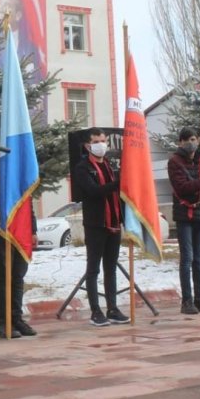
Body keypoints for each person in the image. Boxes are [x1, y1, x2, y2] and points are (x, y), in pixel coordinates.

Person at [0, 138, 37, 338]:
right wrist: (3, 174)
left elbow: (27, 201)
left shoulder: (20, 169)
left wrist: (33, 230)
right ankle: (3, 321)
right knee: (3, 275)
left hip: (20, 229)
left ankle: (17, 318)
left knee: (18, 275)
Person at [73, 128, 130, 327]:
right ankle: (95, 311)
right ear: (88, 146)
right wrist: (117, 184)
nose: (101, 144)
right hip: (96, 224)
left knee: (110, 268)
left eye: (104, 140)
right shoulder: (82, 168)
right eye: (97, 141)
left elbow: (117, 192)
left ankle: (112, 308)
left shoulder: (107, 165)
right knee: (93, 269)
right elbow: (93, 191)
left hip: (113, 224)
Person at [167, 127, 200, 314]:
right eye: (187, 139)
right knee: (187, 258)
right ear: (180, 142)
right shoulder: (174, 162)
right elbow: (182, 187)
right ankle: (186, 301)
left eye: (194, 139)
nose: (191, 142)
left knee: (199, 259)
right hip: (184, 216)